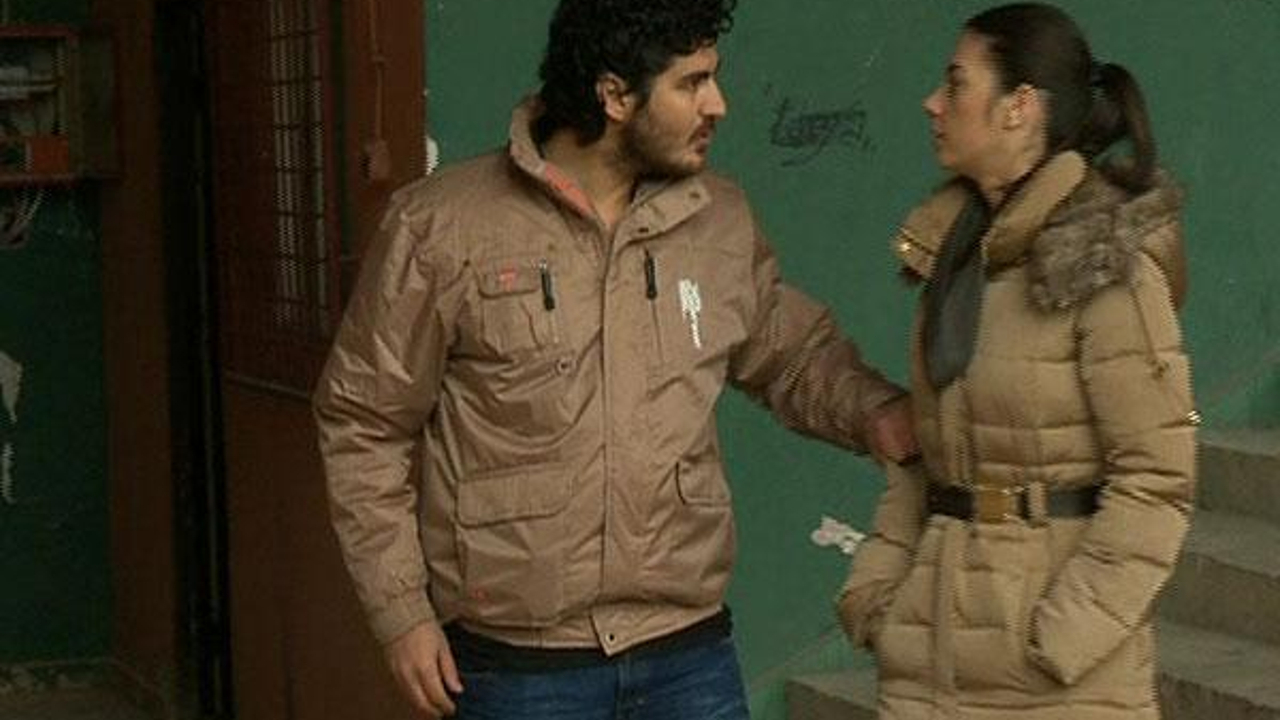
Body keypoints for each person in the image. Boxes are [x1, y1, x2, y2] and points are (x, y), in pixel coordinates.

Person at [313, 0, 918, 717]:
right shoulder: (442, 226)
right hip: (518, 667)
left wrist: (881, 415)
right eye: (691, 83)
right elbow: (364, 422)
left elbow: (791, 356)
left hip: (688, 656)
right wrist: (402, 614)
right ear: (615, 95)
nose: (717, 104)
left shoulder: (718, 220)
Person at [835, 3, 1197, 719]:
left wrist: (1060, 636)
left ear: (1019, 108)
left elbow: (1157, 478)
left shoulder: (1103, 262)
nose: (933, 103)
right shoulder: (957, 254)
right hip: (928, 666)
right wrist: (877, 596)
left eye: (956, 84)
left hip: (1058, 683)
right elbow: (926, 459)